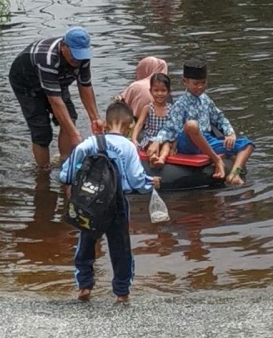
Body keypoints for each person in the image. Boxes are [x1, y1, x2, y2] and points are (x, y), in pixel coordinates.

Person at [59, 101, 161, 303]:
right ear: (129, 125)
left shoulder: (90, 143)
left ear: (105, 124)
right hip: (117, 204)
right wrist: (152, 183)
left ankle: (84, 286)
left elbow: (67, 172)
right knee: (120, 247)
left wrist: (69, 185)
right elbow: (136, 180)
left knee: (86, 243)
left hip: (89, 201)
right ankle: (122, 293)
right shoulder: (129, 147)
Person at [9, 26, 105, 170]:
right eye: (74, 55)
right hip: (27, 83)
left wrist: (94, 118)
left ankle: (65, 162)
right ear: (64, 47)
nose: (77, 60)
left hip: (57, 80)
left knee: (70, 118)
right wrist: (74, 134)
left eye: (80, 56)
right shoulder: (47, 59)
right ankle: (43, 170)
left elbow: (85, 86)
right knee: (42, 130)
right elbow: (54, 100)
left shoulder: (82, 57)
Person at [147, 59, 255, 185]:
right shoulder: (180, 104)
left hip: (207, 140)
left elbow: (219, 118)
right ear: (185, 82)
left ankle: (234, 175)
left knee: (248, 144)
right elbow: (169, 128)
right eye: (196, 83)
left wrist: (230, 133)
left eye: (203, 83)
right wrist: (157, 140)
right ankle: (217, 159)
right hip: (188, 141)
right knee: (192, 125)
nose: (200, 87)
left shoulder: (206, 100)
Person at [131, 73, 173, 167]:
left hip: (164, 139)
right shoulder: (148, 108)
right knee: (150, 144)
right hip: (150, 137)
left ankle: (162, 158)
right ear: (150, 91)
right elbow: (139, 124)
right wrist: (134, 139)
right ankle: (153, 157)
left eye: (163, 90)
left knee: (166, 146)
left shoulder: (171, 109)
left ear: (169, 91)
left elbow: (175, 128)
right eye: (156, 90)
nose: (159, 94)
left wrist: (174, 146)